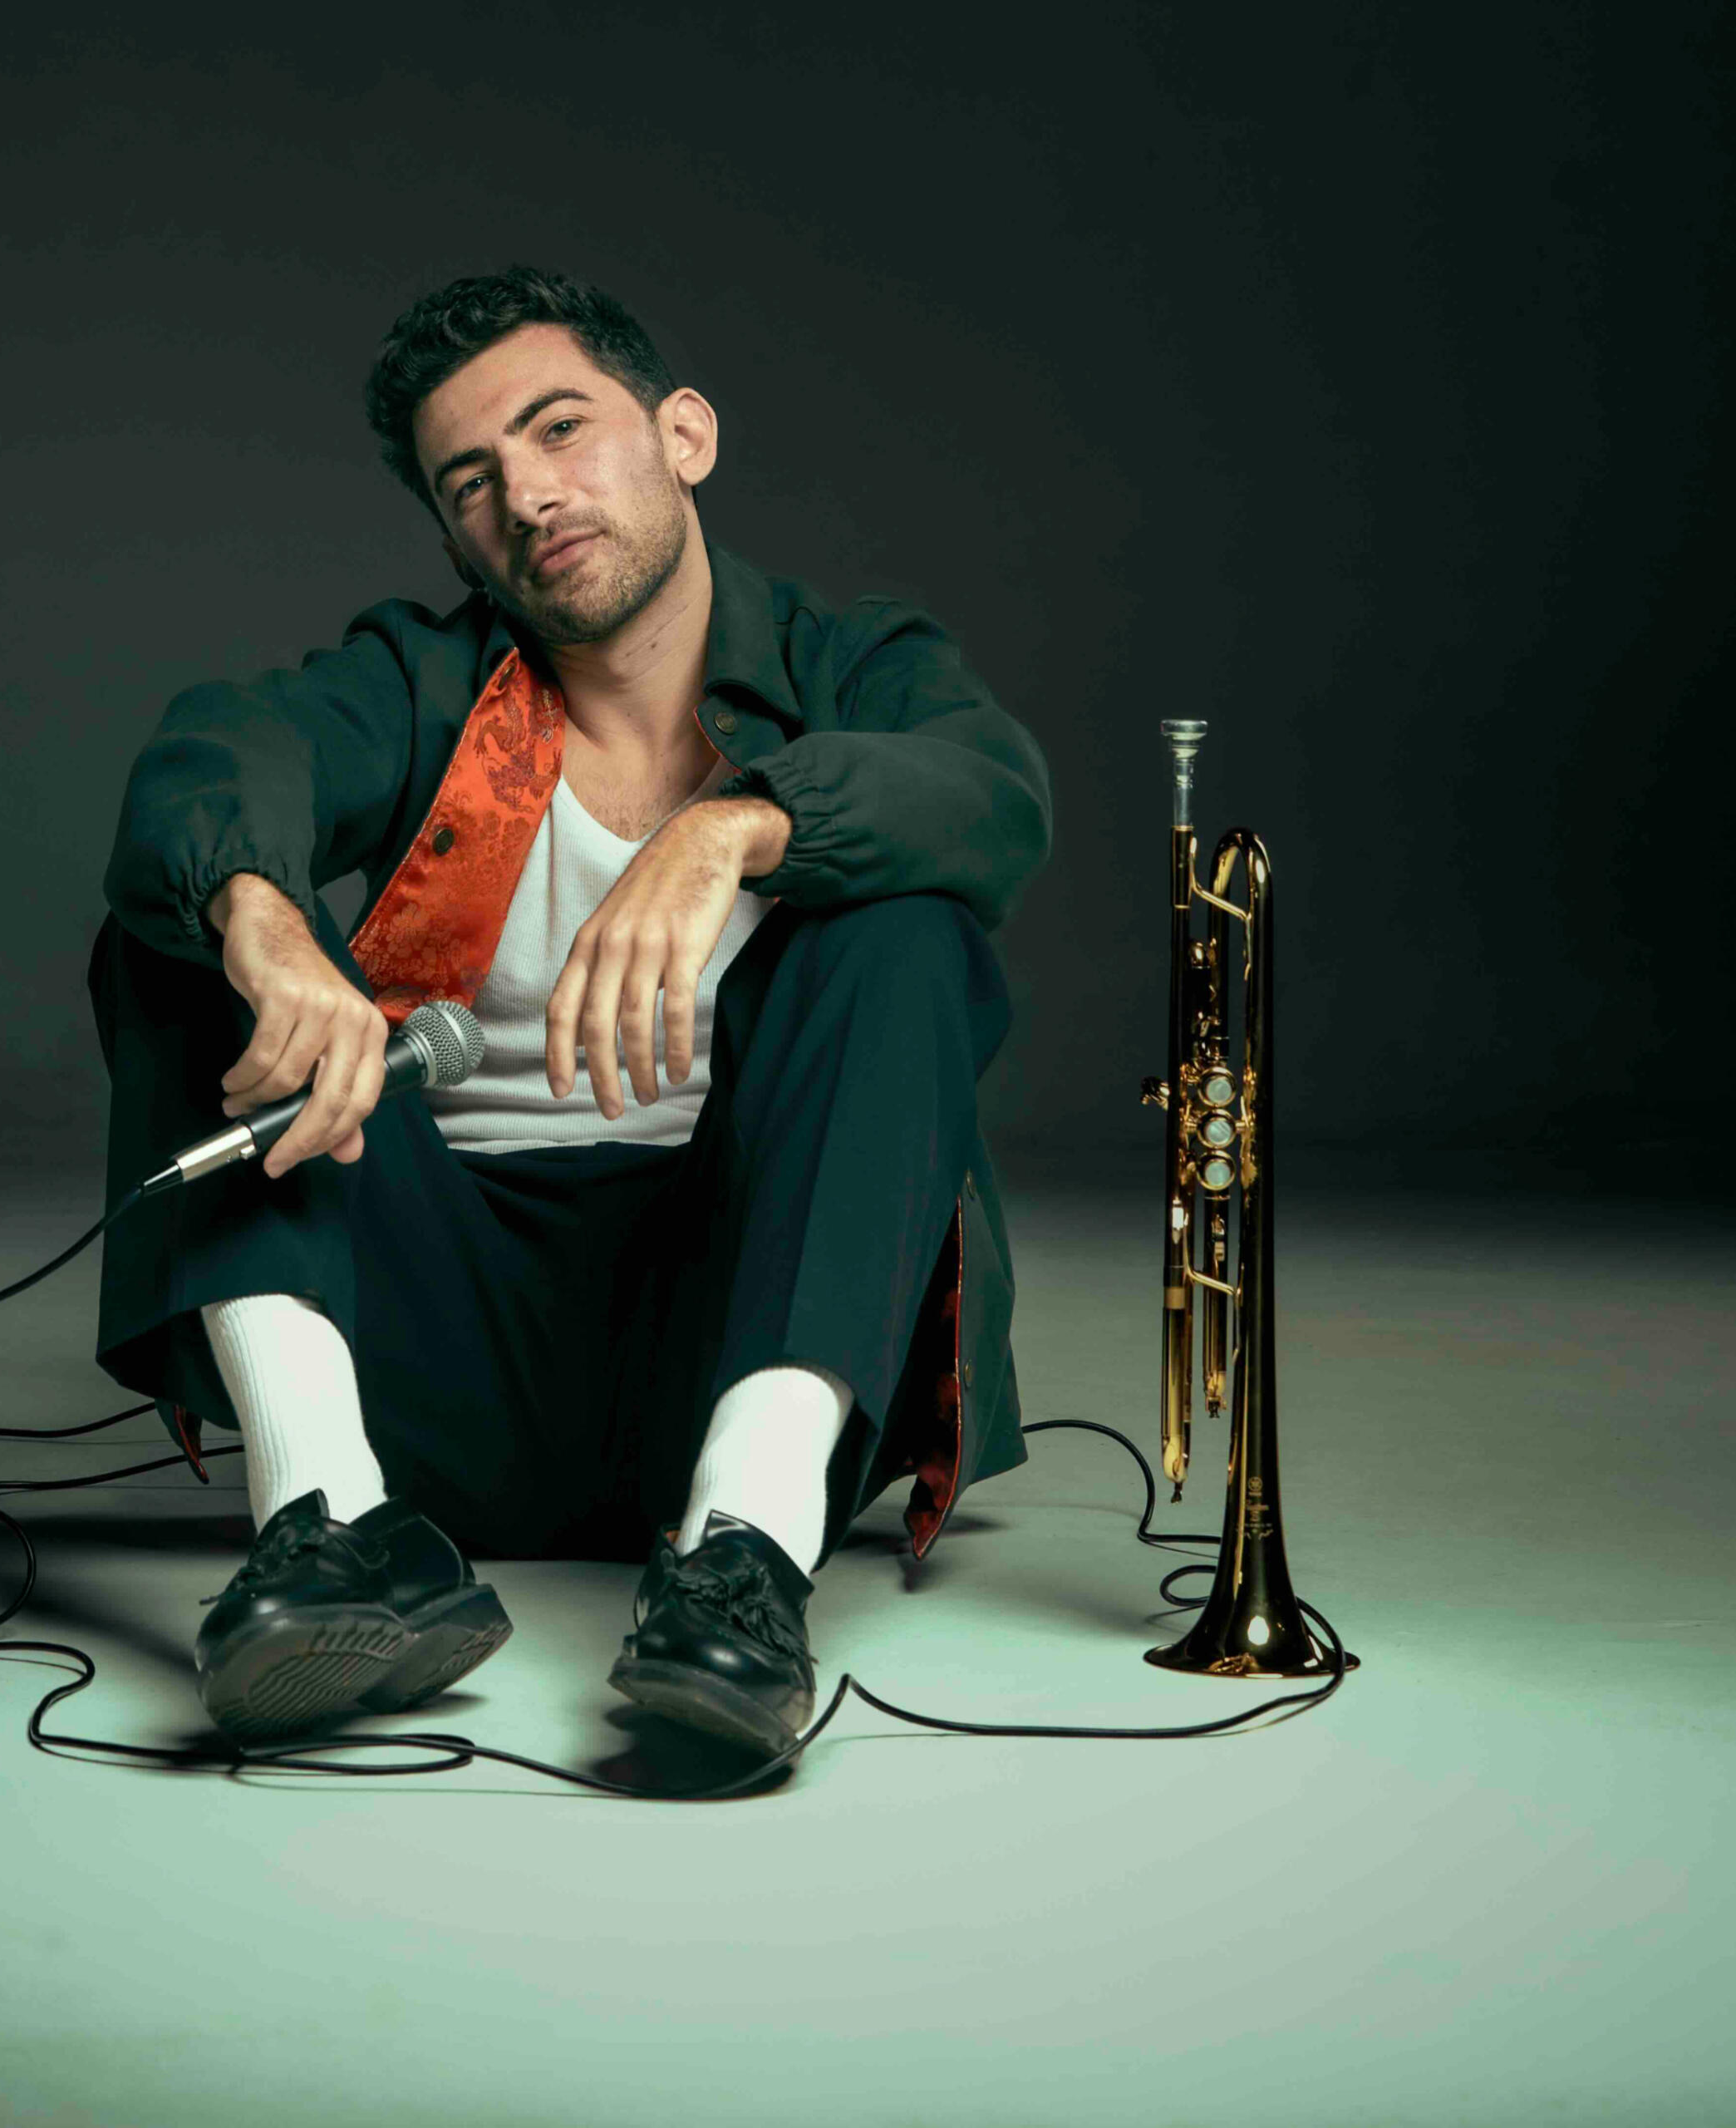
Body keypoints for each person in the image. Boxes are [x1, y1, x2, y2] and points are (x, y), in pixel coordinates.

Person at [87, 264, 1052, 1761]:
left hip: (739, 1327)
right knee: (189, 921)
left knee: (909, 930)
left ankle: (744, 1561)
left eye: (560, 431)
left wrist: (733, 830)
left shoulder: (847, 667)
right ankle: (331, 1532)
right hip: (439, 1349)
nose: (528, 497)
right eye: (471, 481)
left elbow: (993, 798)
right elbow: (221, 750)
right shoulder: (419, 682)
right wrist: (265, 925)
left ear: (684, 435)